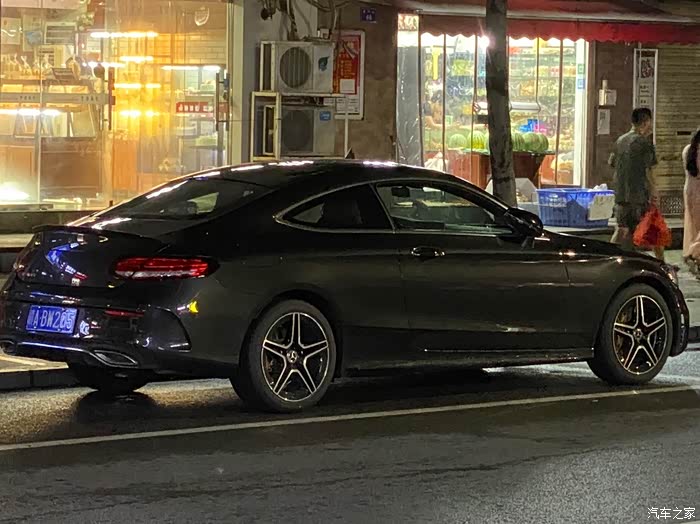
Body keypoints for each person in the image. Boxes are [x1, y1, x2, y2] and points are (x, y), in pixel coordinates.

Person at [609, 108, 658, 251]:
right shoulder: (645, 143)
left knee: (621, 230)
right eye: (650, 122)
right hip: (638, 196)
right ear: (645, 122)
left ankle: (610, 254)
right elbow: (649, 170)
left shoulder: (620, 141)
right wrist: (654, 190)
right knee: (653, 229)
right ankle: (660, 261)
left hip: (621, 195)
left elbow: (612, 163)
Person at [682, 128, 700, 271]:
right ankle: (694, 252)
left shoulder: (687, 150)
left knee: (692, 225)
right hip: (698, 190)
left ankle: (692, 252)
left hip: (689, 190)